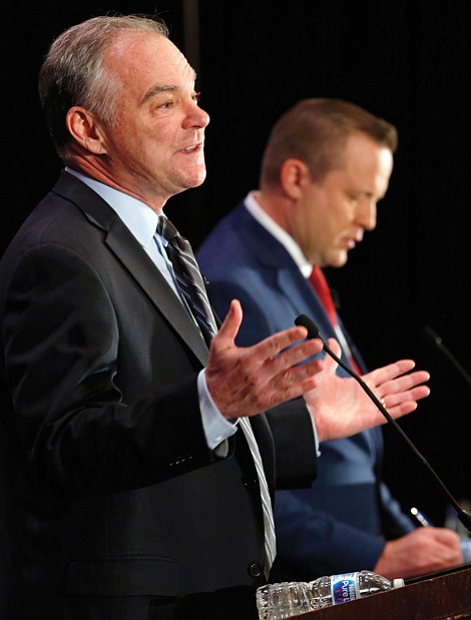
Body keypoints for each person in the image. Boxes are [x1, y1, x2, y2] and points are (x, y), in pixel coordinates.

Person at [0, 17, 431, 619]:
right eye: (165, 101)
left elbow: (181, 439)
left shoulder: (158, 240)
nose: (199, 117)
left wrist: (301, 425)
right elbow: (66, 448)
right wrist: (214, 402)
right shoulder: (60, 253)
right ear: (88, 129)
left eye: (195, 96)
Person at [197, 98, 464, 582]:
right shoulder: (234, 281)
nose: (369, 220)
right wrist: (371, 555)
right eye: (357, 197)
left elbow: (352, 453)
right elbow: (241, 471)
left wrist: (403, 540)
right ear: (297, 178)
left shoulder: (297, 269)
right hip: (308, 582)